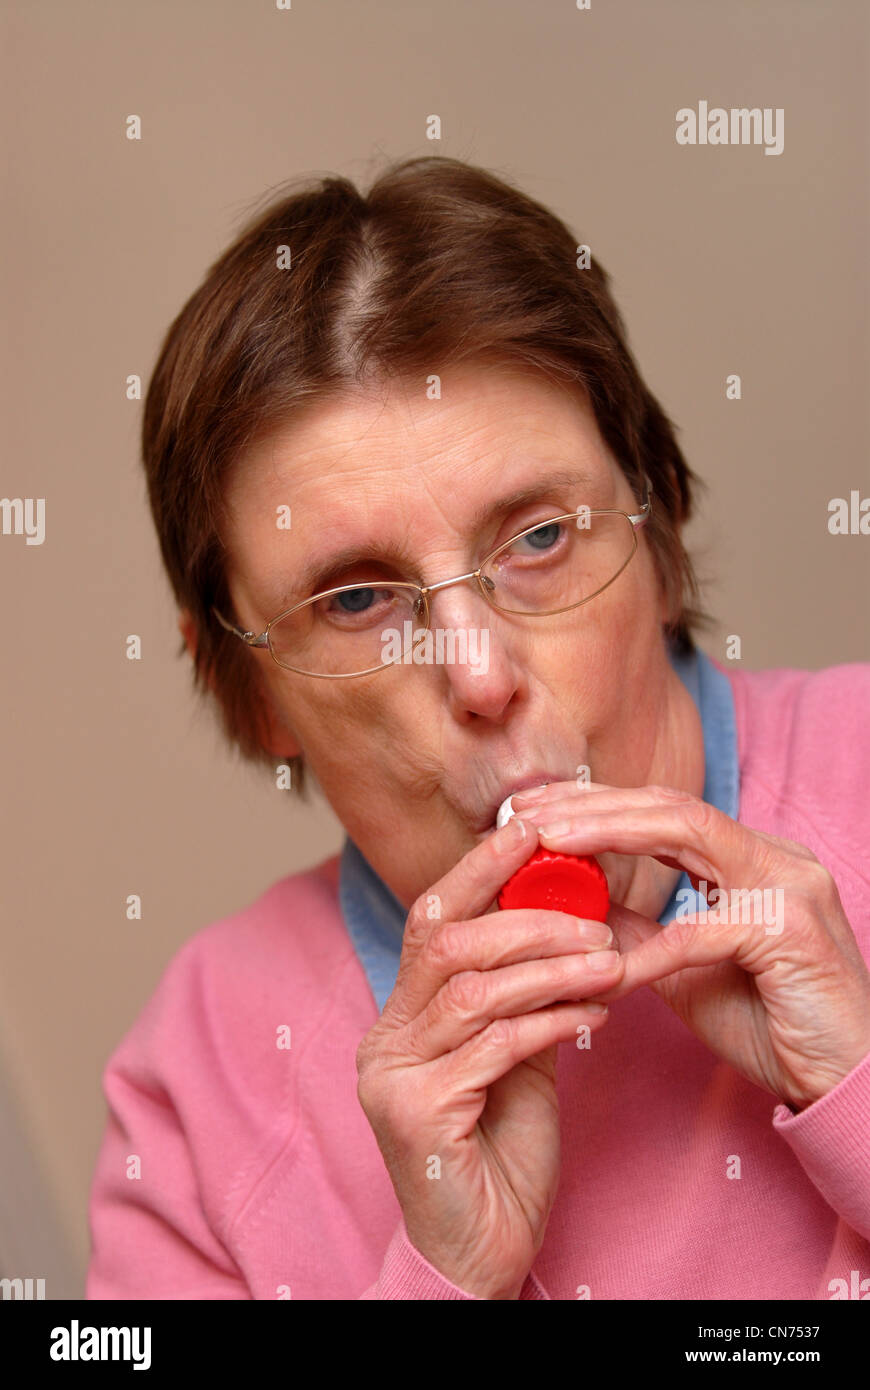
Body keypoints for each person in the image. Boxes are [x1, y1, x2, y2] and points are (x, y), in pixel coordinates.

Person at [85, 156, 870, 1300]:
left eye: (540, 538)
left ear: (661, 529)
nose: (479, 672)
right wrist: (447, 1280)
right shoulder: (200, 1085)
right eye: (356, 600)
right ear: (250, 695)